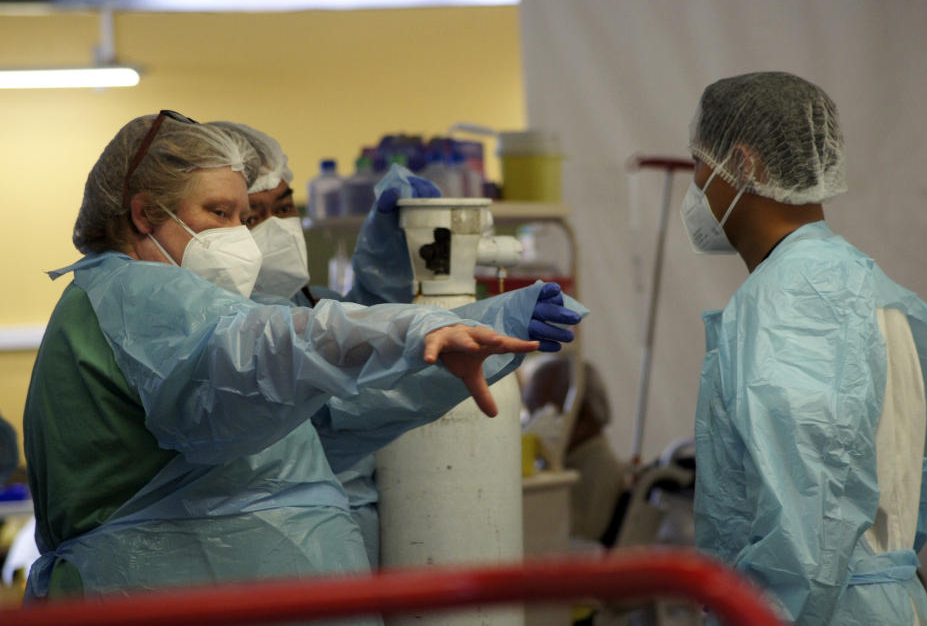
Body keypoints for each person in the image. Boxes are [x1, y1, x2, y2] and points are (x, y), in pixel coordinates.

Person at [22, 111, 577, 612]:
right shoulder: (134, 293)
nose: (242, 235)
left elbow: (334, 413)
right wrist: (414, 328)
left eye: (248, 215)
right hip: (163, 590)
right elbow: (263, 350)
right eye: (221, 213)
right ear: (144, 214)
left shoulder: (164, 309)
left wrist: (470, 328)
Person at [210, 121, 583, 568]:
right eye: (251, 216)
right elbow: (350, 389)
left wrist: (390, 243)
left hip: (345, 529)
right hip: (278, 543)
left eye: (285, 209)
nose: (276, 229)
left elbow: (370, 322)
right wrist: (486, 321)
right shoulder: (224, 329)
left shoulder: (312, 304)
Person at [684, 72, 927, 625]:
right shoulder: (867, 288)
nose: (694, 184)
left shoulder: (795, 300)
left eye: (698, 161)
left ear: (745, 164)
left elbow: (807, 540)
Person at [521, 357, 627, 546]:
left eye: (541, 412)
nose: (532, 424)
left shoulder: (597, 467)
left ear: (582, 416)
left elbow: (575, 538)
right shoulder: (562, 461)